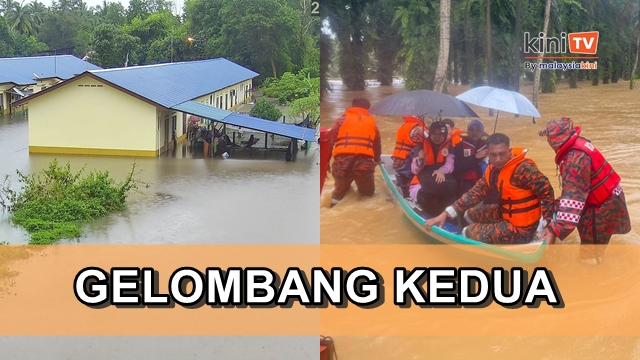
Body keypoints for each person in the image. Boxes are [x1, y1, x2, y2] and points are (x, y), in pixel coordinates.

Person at [425, 133, 555, 244]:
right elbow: (474, 193)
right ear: (487, 153)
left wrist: (548, 225)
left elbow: (547, 192)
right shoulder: (492, 170)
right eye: (493, 155)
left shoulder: (524, 169)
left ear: (510, 151)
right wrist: (445, 213)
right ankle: (490, 238)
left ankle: (483, 238)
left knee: (468, 232)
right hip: (506, 215)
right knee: (469, 213)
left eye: (502, 154)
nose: (498, 159)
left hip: (523, 229)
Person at [538, 117, 631, 265]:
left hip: (602, 207)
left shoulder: (575, 158)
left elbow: (573, 200)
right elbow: (574, 191)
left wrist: (553, 230)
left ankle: (595, 279)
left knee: (590, 259)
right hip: (603, 198)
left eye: (549, 138)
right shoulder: (578, 144)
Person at [329, 98, 382, 208]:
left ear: (352, 106)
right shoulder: (372, 123)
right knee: (367, 195)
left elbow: (329, 141)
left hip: (342, 164)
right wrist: (377, 160)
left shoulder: (341, 120)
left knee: (339, 193)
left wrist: (325, 162)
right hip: (364, 165)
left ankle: (333, 207)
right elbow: (377, 145)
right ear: (368, 109)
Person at [411, 121, 457, 217]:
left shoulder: (450, 146)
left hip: (442, 181)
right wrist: (420, 159)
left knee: (451, 193)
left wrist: (442, 171)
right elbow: (414, 170)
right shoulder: (421, 146)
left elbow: (450, 164)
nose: (437, 137)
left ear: (445, 135)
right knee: (427, 196)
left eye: (440, 134)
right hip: (420, 182)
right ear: (430, 134)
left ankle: (447, 217)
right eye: (434, 134)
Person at [391, 115, 428, 197]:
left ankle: (402, 189)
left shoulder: (404, 125)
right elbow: (428, 141)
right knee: (410, 181)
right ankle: (408, 196)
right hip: (407, 161)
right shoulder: (418, 129)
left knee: (404, 179)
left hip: (397, 159)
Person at [453, 119, 489, 196]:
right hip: (466, 179)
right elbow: (458, 167)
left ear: (482, 132)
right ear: (467, 131)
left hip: (484, 178)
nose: (474, 132)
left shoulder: (488, 145)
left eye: (478, 130)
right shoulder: (460, 146)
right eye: (471, 130)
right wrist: (475, 156)